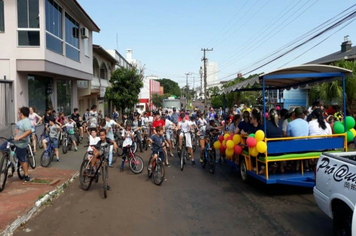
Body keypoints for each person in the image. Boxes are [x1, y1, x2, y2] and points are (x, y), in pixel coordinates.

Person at [0, 107, 32, 182]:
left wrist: (19, 137)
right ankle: (8, 160)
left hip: (21, 143)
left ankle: (26, 175)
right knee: (2, 147)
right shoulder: (20, 121)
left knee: (21, 159)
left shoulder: (26, 121)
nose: (18, 113)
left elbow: (29, 131)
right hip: (14, 140)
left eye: (19, 112)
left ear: (22, 113)